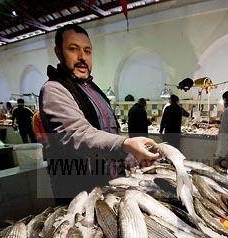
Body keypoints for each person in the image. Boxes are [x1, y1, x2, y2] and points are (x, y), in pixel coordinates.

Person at [39, 24, 159, 202]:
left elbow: (108, 135)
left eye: (87, 51)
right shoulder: (54, 89)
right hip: (79, 193)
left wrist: (133, 159)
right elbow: (77, 135)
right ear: (58, 52)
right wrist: (125, 144)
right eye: (73, 49)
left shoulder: (94, 90)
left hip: (107, 187)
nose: (82, 57)